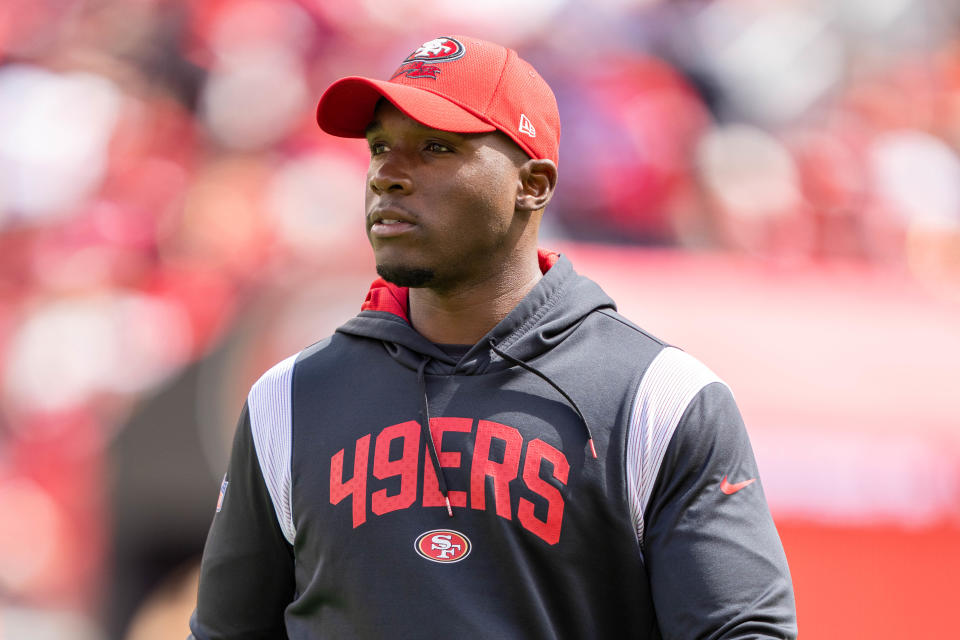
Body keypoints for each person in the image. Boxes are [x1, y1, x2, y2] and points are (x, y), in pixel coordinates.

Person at [188, 35, 797, 639]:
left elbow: (741, 632)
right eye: (379, 148)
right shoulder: (289, 397)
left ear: (532, 183)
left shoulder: (660, 399)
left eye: (434, 148)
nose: (388, 176)